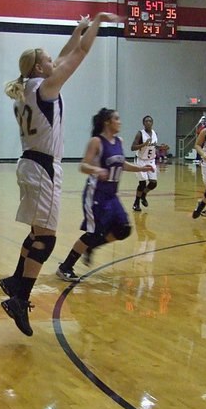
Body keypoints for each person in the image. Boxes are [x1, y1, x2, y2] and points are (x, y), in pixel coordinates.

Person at [0, 11, 120, 337]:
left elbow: (66, 53)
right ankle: (20, 299)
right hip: (43, 167)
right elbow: (78, 54)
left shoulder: (26, 91)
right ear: (39, 68)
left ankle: (14, 280)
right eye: (49, 60)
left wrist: (78, 27)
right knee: (47, 239)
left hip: (30, 163)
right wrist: (96, 25)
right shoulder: (46, 88)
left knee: (38, 233)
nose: (55, 61)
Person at [55, 108, 154, 281]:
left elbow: (121, 164)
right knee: (92, 233)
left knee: (123, 229)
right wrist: (97, 169)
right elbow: (83, 166)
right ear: (107, 122)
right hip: (95, 194)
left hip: (111, 195)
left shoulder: (119, 141)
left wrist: (141, 168)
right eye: (117, 118)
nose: (120, 121)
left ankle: (92, 247)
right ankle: (65, 267)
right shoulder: (96, 141)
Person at [131, 115, 158, 212]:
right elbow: (132, 147)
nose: (148, 122)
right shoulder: (140, 134)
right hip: (141, 160)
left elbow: (153, 147)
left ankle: (143, 195)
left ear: (152, 123)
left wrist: (159, 149)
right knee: (142, 183)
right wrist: (144, 144)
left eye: (150, 121)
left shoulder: (155, 134)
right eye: (146, 121)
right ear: (143, 123)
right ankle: (136, 203)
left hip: (151, 160)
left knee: (153, 183)